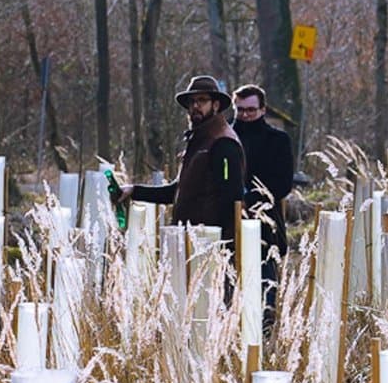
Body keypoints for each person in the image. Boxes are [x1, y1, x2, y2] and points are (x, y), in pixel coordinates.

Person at [116, 75, 255, 262]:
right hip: (190, 243)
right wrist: (134, 191)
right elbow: (177, 191)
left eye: (202, 100)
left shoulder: (222, 142)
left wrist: (224, 249)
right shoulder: (199, 140)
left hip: (209, 247)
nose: (195, 106)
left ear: (215, 105)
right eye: (192, 101)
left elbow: (232, 199)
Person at [232, 83, 298, 320]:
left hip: (265, 223)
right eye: (240, 110)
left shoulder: (277, 140)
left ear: (262, 110)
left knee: (266, 289)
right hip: (229, 220)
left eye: (250, 110)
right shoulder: (228, 138)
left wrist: (250, 198)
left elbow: (282, 184)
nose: (245, 115)